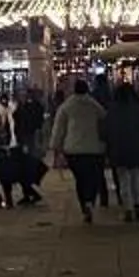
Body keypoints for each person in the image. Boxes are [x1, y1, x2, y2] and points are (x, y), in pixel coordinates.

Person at [50, 76, 109, 222]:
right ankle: (90, 200)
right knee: (93, 177)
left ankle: (84, 204)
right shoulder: (94, 105)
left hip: (73, 149)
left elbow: (59, 128)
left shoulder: (66, 106)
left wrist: (56, 147)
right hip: (94, 148)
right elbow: (104, 121)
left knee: (80, 178)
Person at [102, 78, 139, 220]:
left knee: (123, 180)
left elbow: (105, 131)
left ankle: (128, 208)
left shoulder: (111, 111)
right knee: (137, 179)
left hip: (118, 150)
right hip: (136, 148)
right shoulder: (138, 109)